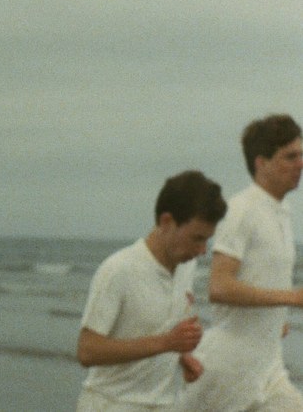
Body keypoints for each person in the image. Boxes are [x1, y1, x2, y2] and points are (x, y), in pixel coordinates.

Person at [174, 114, 303, 411]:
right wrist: (291, 297)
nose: (301, 164)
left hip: (269, 364)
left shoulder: (282, 212)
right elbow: (219, 287)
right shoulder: (241, 210)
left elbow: (261, 278)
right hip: (229, 368)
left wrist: (274, 319)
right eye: (290, 157)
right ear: (261, 163)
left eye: (301, 155)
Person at [75, 170, 227, 411]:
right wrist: (168, 343)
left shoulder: (185, 267)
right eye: (197, 238)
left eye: (207, 240)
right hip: (111, 404)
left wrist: (181, 357)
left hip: (163, 403)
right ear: (166, 222)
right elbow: (87, 350)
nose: (202, 251)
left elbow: (156, 329)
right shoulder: (119, 269)